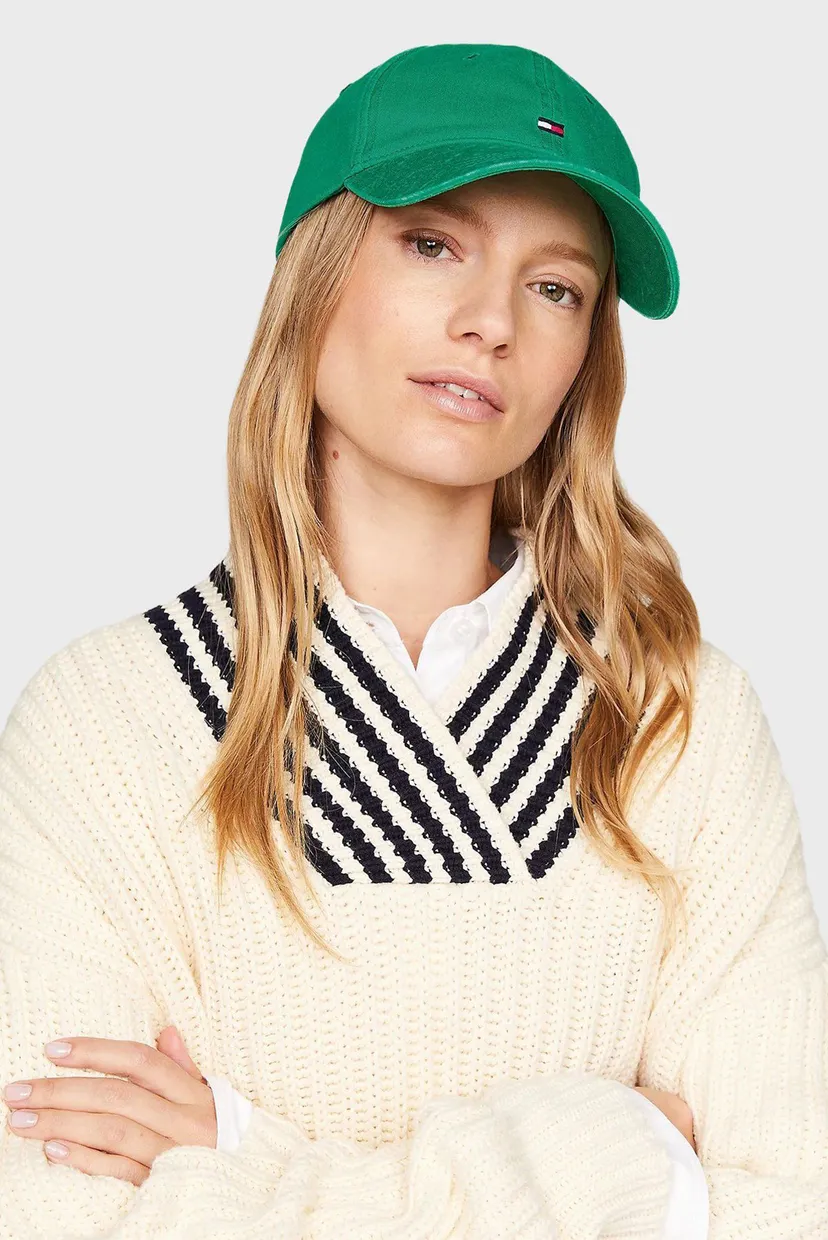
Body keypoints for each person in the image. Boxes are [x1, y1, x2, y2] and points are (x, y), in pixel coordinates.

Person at [1, 40, 825, 1240]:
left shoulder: (678, 721)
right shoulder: (103, 726)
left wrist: (241, 1159)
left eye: (557, 288)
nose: (491, 323)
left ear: (584, 358)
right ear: (316, 269)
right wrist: (626, 1160)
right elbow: (54, 1220)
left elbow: (792, 1209)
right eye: (433, 244)